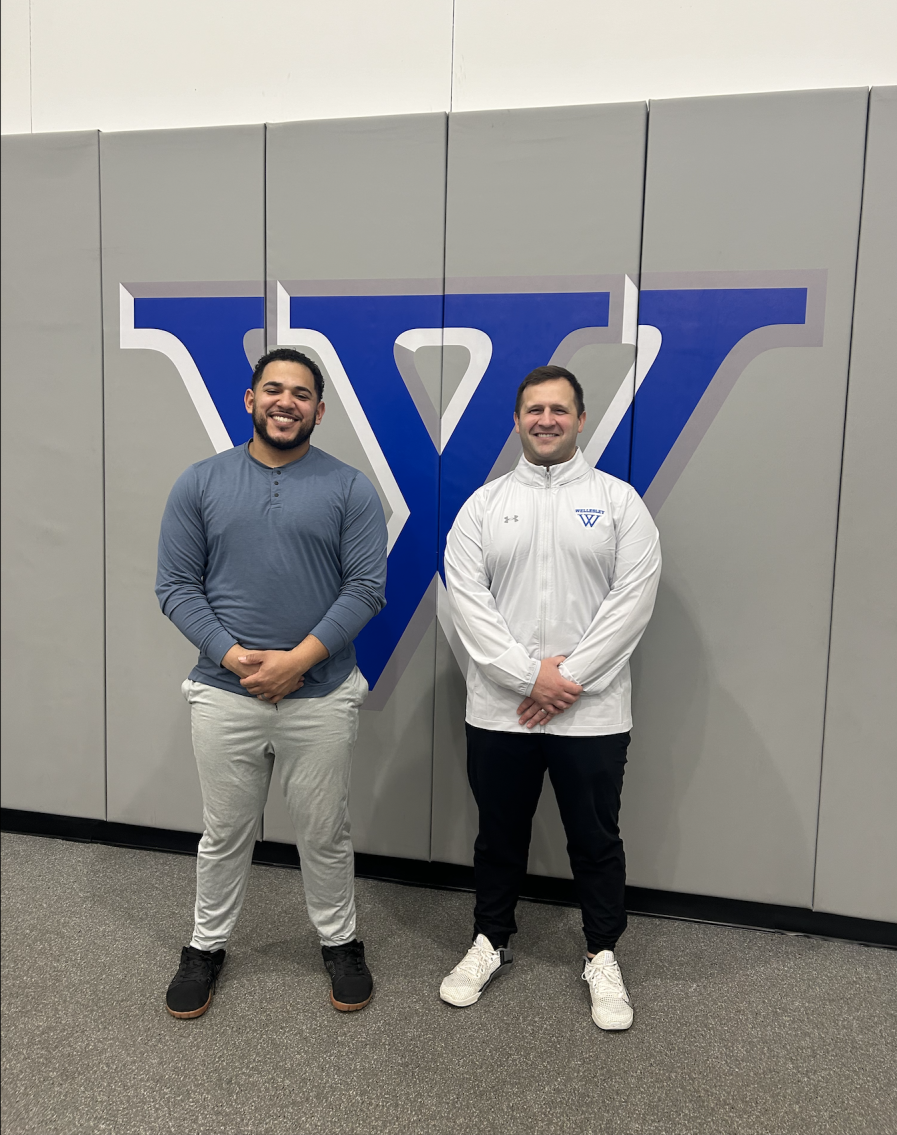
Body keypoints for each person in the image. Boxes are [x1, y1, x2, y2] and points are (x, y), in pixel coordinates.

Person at [156, 348, 387, 1019]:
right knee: (225, 830)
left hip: (320, 695)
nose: (286, 402)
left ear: (320, 410)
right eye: (273, 390)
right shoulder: (198, 482)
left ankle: (340, 941)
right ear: (250, 400)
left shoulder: (350, 488)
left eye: (301, 393)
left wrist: (295, 661)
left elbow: (366, 588)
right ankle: (205, 947)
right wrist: (235, 658)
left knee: (324, 831)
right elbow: (174, 586)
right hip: (224, 694)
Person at [440, 364, 661, 1030]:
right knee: (498, 836)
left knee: (594, 840)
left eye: (557, 409)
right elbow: (466, 602)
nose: (544, 419)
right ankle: (489, 941)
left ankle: (600, 953)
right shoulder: (482, 507)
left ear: (580, 419)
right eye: (532, 408)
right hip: (499, 712)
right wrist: (525, 677)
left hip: (591, 716)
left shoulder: (619, 502)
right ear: (516, 420)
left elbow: (633, 600)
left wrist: (567, 681)